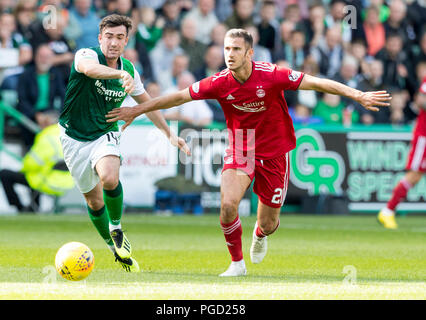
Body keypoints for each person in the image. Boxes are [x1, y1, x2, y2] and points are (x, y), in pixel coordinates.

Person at [106, 28, 392, 277]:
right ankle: (237, 263)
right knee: (228, 205)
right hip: (241, 145)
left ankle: (258, 233)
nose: (229, 54)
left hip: (276, 149)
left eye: (236, 49)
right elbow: (179, 96)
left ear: (249, 53)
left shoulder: (272, 75)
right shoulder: (219, 82)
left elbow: (315, 82)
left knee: (269, 223)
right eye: (226, 48)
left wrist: (358, 95)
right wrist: (137, 108)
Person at [59, 14, 190, 273]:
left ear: (126, 41)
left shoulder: (130, 71)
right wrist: (118, 75)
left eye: (120, 37)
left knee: (109, 176)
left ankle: (116, 228)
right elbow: (88, 70)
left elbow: (148, 104)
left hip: (104, 133)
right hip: (72, 137)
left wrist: (168, 134)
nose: (113, 42)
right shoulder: (86, 54)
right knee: (94, 202)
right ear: (100, 38)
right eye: (109, 36)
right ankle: (113, 247)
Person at [0, 111, 74, 213]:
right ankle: (33, 206)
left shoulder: (46, 136)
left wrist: (24, 168)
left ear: (46, 123)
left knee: (6, 174)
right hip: (71, 182)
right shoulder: (70, 135)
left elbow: (32, 163)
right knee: (35, 174)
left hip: (49, 180)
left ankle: (21, 208)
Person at [378, 78, 426, 229]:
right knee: (414, 175)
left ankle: (387, 211)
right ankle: (387, 211)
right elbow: (421, 101)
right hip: (424, 136)